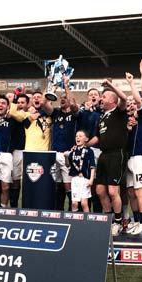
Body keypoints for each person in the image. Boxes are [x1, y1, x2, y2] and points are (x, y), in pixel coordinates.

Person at [90, 79, 128, 236]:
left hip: (116, 154)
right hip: (104, 155)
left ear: (112, 100)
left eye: (104, 97)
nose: (101, 99)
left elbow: (124, 99)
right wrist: (83, 144)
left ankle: (118, 222)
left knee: (113, 191)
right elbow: (97, 138)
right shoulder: (101, 117)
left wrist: (110, 86)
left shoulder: (119, 112)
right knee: (99, 190)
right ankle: (108, 220)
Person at [123, 72, 142, 235]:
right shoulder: (126, 122)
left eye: (133, 102)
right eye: (129, 103)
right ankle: (137, 221)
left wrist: (131, 84)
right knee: (131, 192)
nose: (132, 105)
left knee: (139, 191)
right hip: (129, 158)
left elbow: (140, 101)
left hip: (140, 157)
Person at [52, 76, 78, 210]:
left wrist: (66, 85)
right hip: (54, 153)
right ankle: (58, 212)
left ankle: (72, 212)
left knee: (69, 186)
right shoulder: (55, 112)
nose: (62, 99)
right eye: (60, 97)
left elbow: (73, 104)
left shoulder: (74, 114)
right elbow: (45, 105)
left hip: (68, 154)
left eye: (65, 97)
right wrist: (52, 86)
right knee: (56, 186)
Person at [66, 129, 96, 212]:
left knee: (84, 203)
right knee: (74, 203)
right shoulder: (72, 152)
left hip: (85, 179)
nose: (77, 138)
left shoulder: (89, 151)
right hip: (75, 179)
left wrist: (91, 179)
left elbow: (92, 166)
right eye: (76, 136)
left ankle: (87, 222)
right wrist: (66, 156)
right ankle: (74, 222)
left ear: (86, 139)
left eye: (80, 136)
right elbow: (68, 165)